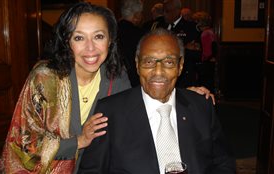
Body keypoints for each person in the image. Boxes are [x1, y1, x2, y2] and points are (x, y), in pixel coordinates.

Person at [78, 28, 235, 174]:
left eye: (168, 62)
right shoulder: (110, 112)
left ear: (180, 66)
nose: (158, 72)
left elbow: (223, 163)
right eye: (149, 62)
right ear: (137, 64)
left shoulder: (201, 106)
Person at [0, 2, 131, 174]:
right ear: (67, 42)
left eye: (98, 36)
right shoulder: (45, 78)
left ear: (110, 39)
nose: (90, 48)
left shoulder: (117, 77)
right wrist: (79, 141)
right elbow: (24, 143)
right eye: (79, 38)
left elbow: (125, 133)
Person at [146, 0, 202, 88]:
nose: (164, 14)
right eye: (163, 11)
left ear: (177, 11)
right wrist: (184, 48)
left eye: (167, 11)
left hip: (183, 78)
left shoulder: (190, 27)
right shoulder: (159, 26)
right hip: (163, 75)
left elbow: (197, 54)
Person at [117, 0, 145, 87]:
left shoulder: (112, 30)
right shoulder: (140, 35)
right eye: (141, 13)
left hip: (114, 78)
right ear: (136, 15)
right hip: (133, 81)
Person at [193, 11, 218, 93]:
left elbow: (206, 53)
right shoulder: (211, 31)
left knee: (205, 88)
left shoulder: (205, 33)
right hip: (210, 63)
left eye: (196, 21)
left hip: (206, 64)